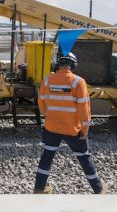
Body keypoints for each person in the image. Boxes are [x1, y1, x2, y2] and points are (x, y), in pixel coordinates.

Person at [34, 52, 107, 194]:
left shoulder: (47, 80)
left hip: (51, 127)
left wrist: (49, 116)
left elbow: (41, 103)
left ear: (57, 64)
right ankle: (98, 189)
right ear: (73, 65)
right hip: (73, 129)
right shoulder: (78, 82)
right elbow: (84, 108)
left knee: (47, 156)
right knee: (84, 157)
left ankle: (39, 188)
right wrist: (85, 129)